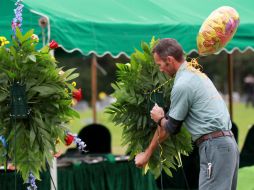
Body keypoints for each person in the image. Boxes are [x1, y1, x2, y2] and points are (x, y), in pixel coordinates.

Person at [135, 38, 239, 190]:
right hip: (226, 146)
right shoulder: (196, 74)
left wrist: (159, 118)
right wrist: (148, 153)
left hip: (214, 148)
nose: (160, 70)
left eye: (160, 65)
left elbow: (172, 127)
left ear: (169, 60)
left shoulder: (183, 84)